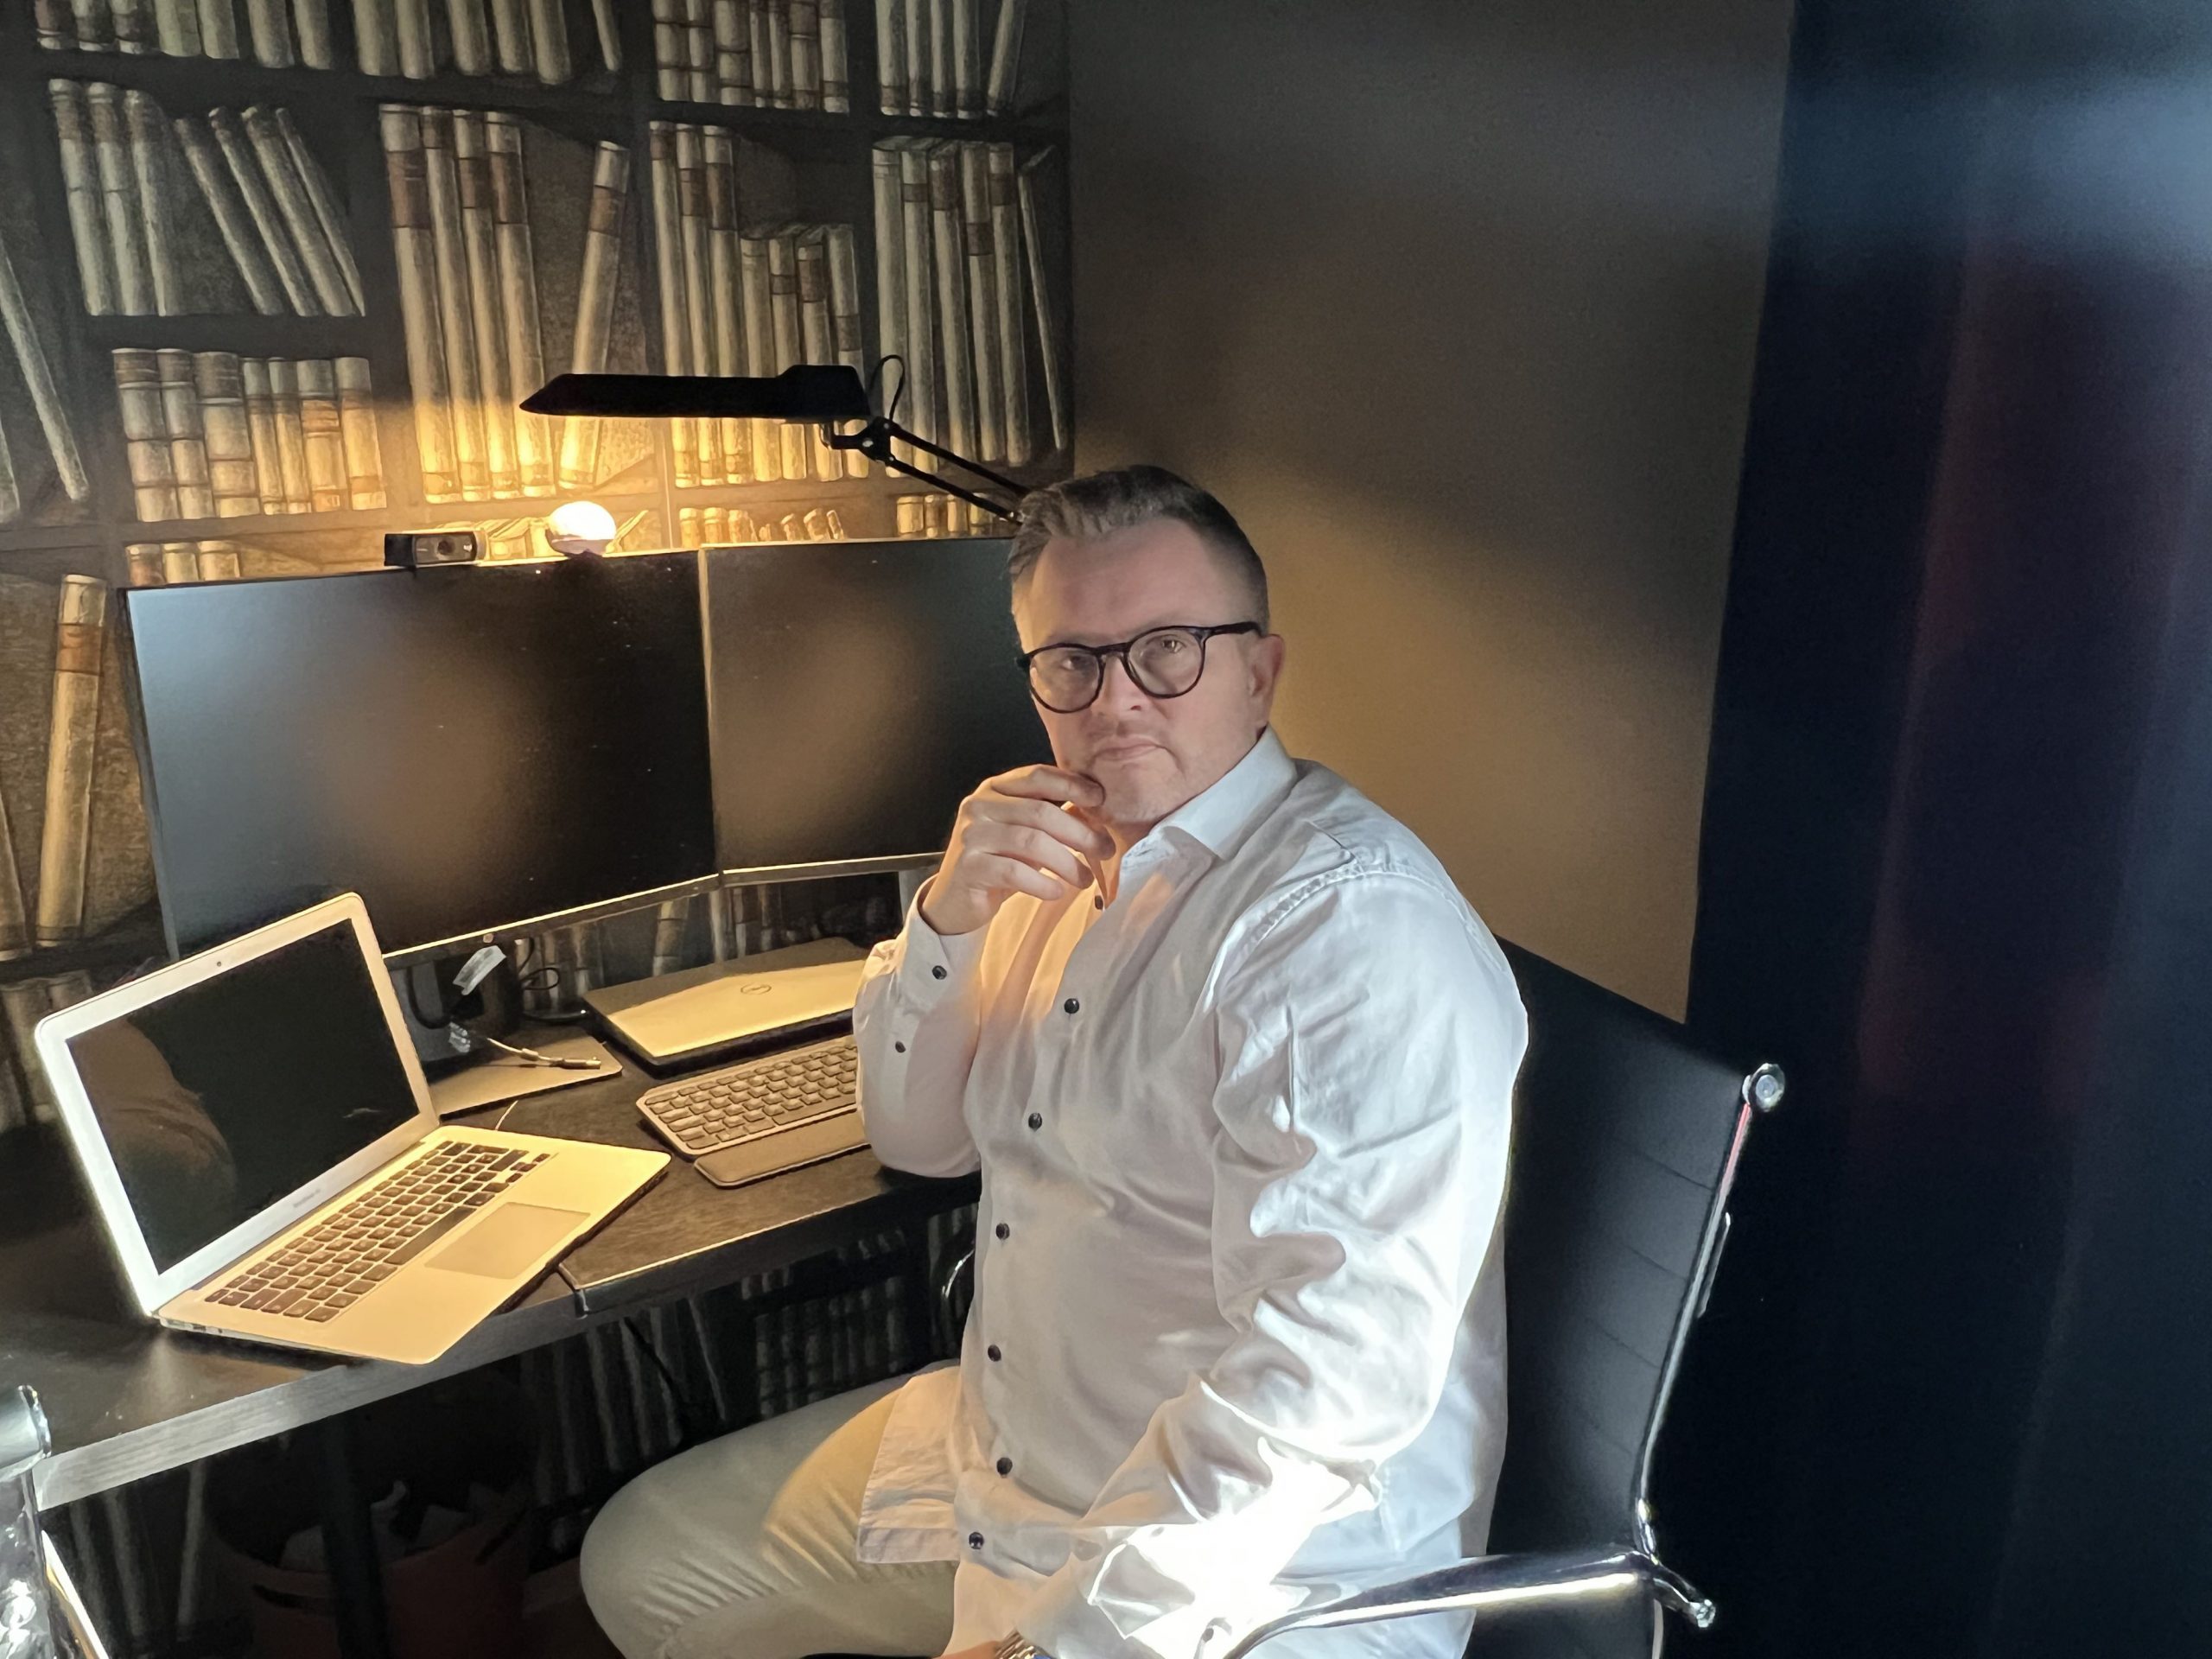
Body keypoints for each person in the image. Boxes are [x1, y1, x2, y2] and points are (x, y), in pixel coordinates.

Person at [582, 466, 1525, 1659]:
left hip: (1254, 1579)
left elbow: (1326, 1389)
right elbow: (920, 1139)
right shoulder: (1053, 854)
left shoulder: (1343, 927)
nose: (1116, 699)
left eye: (1168, 650)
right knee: (644, 1567)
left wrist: (1058, 1646)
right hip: (1013, 1469)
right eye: (1072, 661)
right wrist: (949, 917)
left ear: (1260, 670)